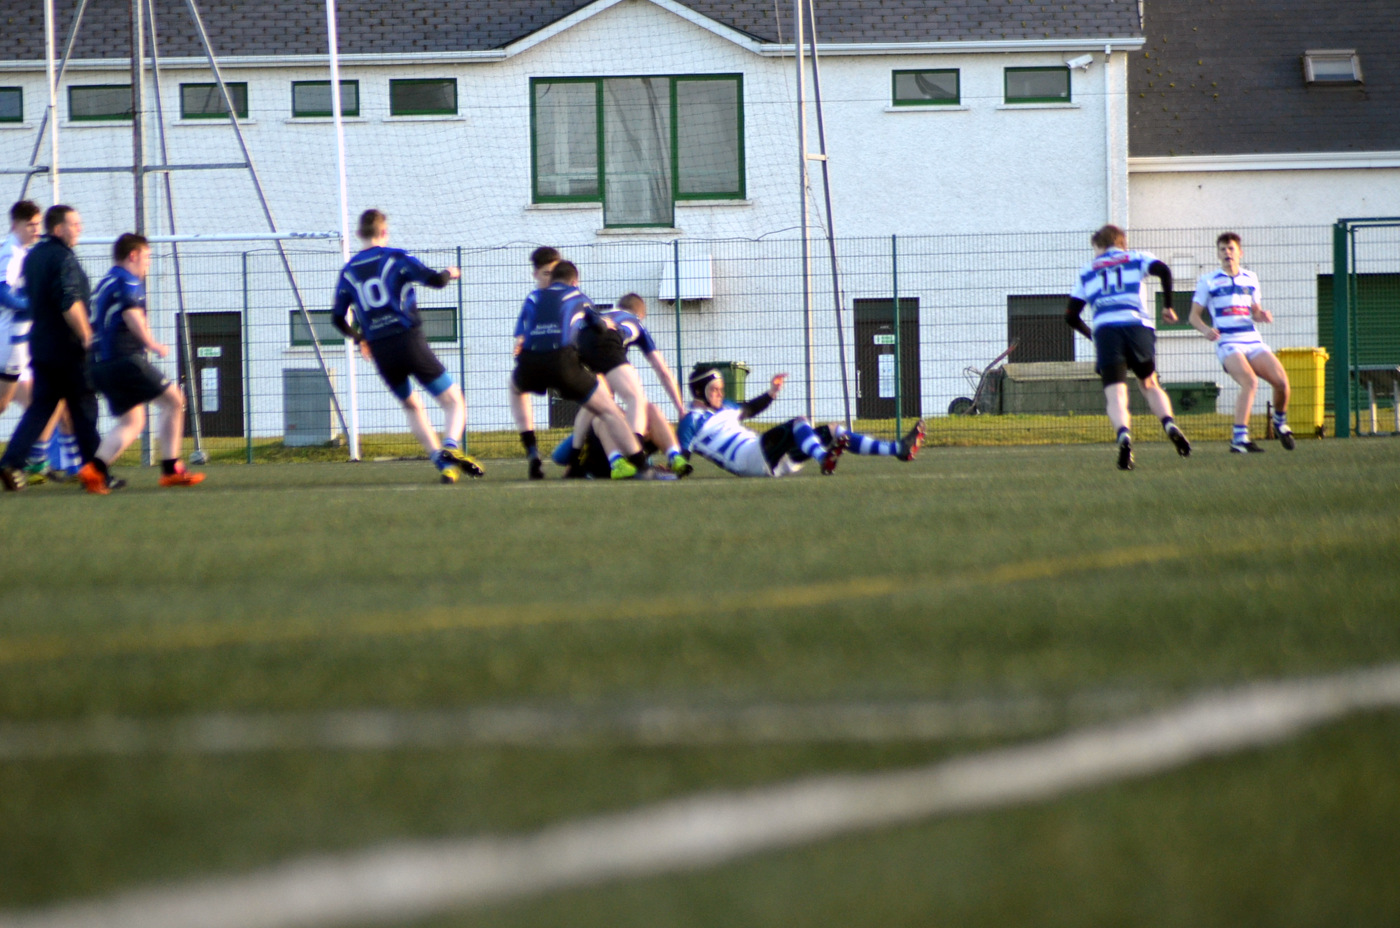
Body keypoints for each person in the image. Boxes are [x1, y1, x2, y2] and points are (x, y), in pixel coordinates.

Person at [331, 209, 483, 483]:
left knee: (412, 406)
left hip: (380, 350)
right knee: (454, 400)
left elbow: (337, 318)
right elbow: (436, 281)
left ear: (358, 234)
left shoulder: (349, 271)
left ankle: (443, 465)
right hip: (408, 341)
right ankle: (450, 446)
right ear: (384, 232)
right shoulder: (396, 258)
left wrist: (360, 338)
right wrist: (450, 272)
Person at [509, 260, 665, 480]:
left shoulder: (534, 296)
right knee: (608, 410)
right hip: (562, 361)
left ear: (551, 279)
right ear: (574, 281)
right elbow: (597, 325)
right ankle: (641, 466)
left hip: (529, 361)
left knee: (515, 389)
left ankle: (532, 451)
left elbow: (521, 334)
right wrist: (606, 325)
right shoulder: (578, 296)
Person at [78, 233, 204, 493]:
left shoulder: (104, 283)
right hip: (124, 359)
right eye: (147, 257)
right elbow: (131, 314)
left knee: (133, 421)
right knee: (174, 400)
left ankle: (95, 470)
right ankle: (171, 469)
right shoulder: (128, 280)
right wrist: (152, 343)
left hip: (99, 365)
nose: (148, 263)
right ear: (133, 255)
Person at [1065, 224, 1192, 470]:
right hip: (1137, 327)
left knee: (1116, 394)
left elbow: (1071, 316)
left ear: (1100, 245)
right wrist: (1168, 305)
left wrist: (1093, 335)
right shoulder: (1136, 257)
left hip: (1106, 330)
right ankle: (1169, 424)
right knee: (1149, 383)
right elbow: (1163, 270)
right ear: (1122, 242)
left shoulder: (1088, 270)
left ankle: (1124, 436)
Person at [0, 205, 104, 492]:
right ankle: (86, 469)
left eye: (37, 224)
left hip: (33, 343)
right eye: (30, 224)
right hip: (19, 342)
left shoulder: (32, 254)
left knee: (47, 405)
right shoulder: (15, 253)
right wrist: (84, 333)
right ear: (16, 225)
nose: (36, 229)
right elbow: (5, 292)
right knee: (70, 405)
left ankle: (31, 461)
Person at [677, 365, 924, 478]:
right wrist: (669, 466)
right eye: (714, 389)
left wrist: (772, 392)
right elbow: (681, 456)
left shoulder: (727, 407)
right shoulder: (691, 421)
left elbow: (750, 408)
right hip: (748, 460)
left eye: (721, 389)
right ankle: (823, 458)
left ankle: (898, 449)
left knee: (833, 430)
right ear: (698, 392)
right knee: (799, 422)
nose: (720, 393)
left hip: (771, 458)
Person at [1189, 232, 1294, 452]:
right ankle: (1239, 439)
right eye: (1222, 249)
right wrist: (1206, 330)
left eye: (1231, 249)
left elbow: (1254, 311)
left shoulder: (1250, 278)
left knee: (1282, 382)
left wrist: (1262, 315)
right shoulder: (1208, 280)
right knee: (1250, 382)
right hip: (1228, 343)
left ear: (1240, 252)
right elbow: (1193, 317)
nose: (1227, 253)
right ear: (1218, 254)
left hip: (1252, 340)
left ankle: (1280, 422)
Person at [568, 292, 690, 478]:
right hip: (600, 451)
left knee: (647, 408)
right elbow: (663, 372)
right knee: (614, 409)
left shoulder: (598, 324)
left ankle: (674, 456)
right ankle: (634, 457)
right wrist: (681, 409)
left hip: (578, 346)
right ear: (641, 314)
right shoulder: (632, 325)